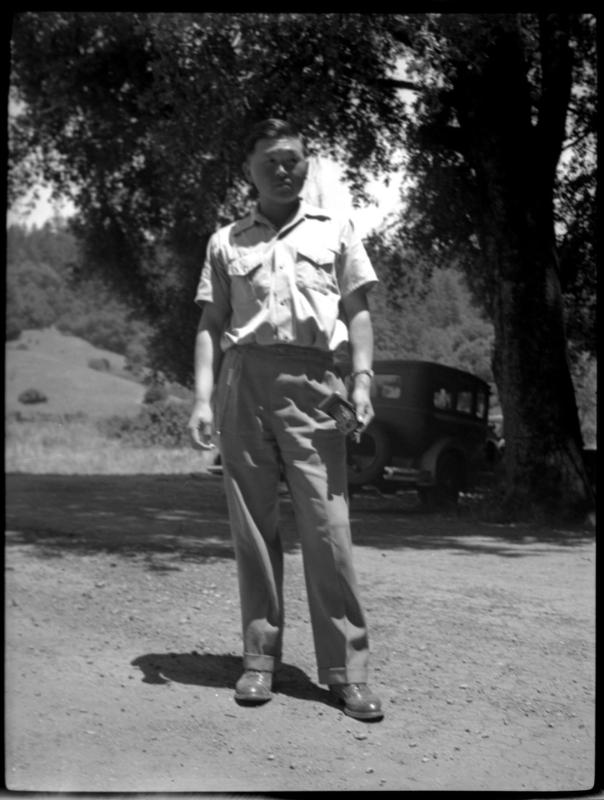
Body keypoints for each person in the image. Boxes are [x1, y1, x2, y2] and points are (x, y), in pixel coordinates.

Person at [188, 118, 383, 722]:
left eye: (292, 159)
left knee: (328, 527)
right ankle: (259, 661)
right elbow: (209, 324)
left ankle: (346, 673)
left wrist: (363, 380)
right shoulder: (226, 241)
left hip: (314, 386)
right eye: (269, 159)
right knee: (252, 528)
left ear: (307, 165)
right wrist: (201, 397)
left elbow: (358, 314)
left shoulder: (338, 230)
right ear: (250, 169)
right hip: (243, 383)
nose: (281, 168)